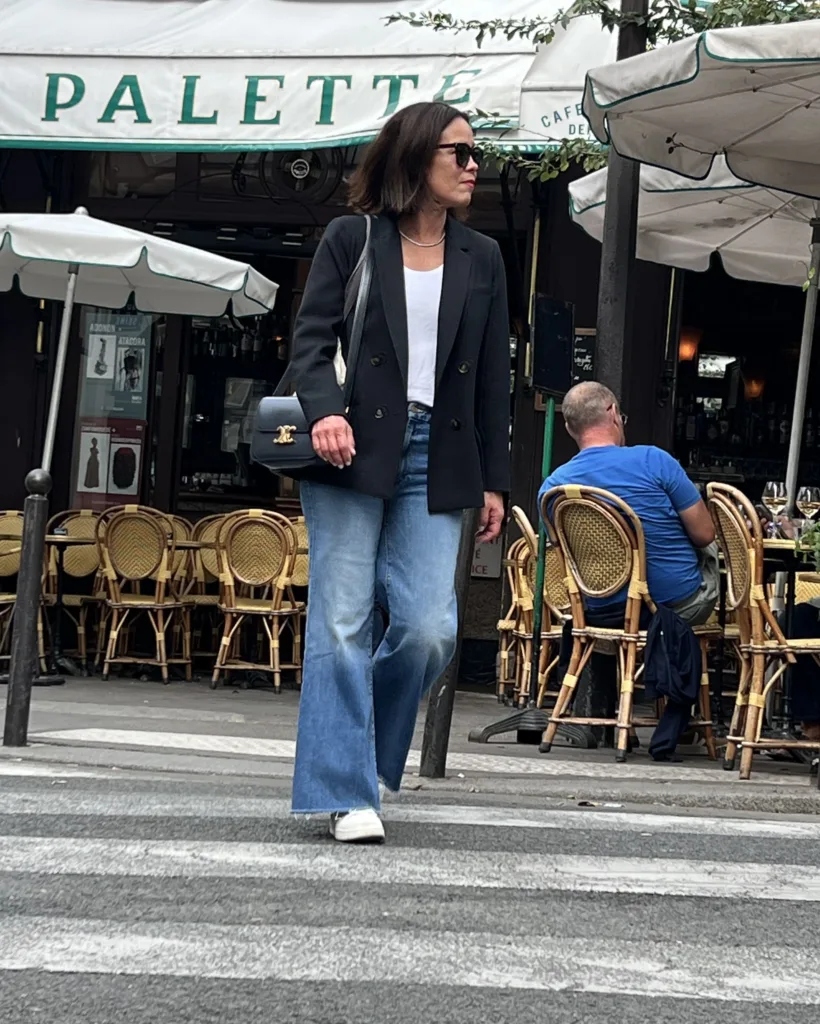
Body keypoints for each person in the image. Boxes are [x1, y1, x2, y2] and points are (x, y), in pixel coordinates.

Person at [288, 101, 511, 842]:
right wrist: (324, 410)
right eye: (460, 153)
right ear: (418, 159)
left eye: (476, 154)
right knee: (343, 620)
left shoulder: (483, 257)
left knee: (427, 629)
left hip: (439, 454)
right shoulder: (351, 239)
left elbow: (491, 383)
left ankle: (355, 745)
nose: (474, 165)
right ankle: (347, 790)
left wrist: (495, 480)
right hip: (349, 445)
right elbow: (310, 342)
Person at [539, 381, 719, 760]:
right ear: (612, 412)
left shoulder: (553, 487)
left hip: (599, 610)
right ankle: (680, 712)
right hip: (673, 604)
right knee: (711, 551)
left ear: (571, 429)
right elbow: (704, 534)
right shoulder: (655, 461)